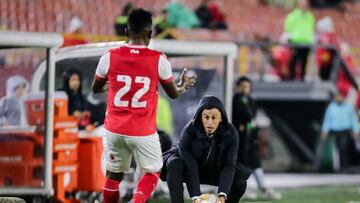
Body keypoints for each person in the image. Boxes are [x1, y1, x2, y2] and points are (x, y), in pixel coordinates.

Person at [91, 8, 196, 203]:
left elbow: (96, 88)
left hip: (114, 129)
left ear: (126, 32)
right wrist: (183, 85)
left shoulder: (109, 56)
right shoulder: (159, 59)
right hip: (142, 131)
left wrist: (114, 85)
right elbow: (173, 93)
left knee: (113, 176)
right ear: (150, 33)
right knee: (153, 171)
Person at [161, 95, 250, 203]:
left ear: (221, 118)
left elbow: (229, 165)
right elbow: (190, 166)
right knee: (174, 163)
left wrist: (222, 195)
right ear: (200, 117)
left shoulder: (231, 133)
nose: (210, 122)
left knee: (240, 181)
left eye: (214, 117)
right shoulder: (188, 132)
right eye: (206, 117)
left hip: (213, 168)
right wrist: (196, 197)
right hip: (189, 168)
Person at [232, 76, 281, 199]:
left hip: (251, 138)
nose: (245, 89)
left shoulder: (251, 101)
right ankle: (243, 190)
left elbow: (252, 119)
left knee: (256, 164)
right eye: (243, 86)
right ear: (238, 87)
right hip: (240, 139)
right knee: (241, 165)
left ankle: (263, 188)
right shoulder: (233, 101)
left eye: (247, 86)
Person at [320, 89, 360, 171]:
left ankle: (344, 166)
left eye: (340, 97)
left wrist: (356, 130)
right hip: (335, 131)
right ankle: (339, 167)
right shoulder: (331, 107)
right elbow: (327, 120)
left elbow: (353, 119)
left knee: (343, 147)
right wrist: (325, 130)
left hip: (345, 130)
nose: (338, 98)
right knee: (338, 148)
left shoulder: (348, 107)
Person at [284, 0, 315, 81]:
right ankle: (291, 79)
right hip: (295, 42)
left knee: (304, 63)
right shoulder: (293, 16)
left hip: (306, 43)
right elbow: (288, 28)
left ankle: (302, 80)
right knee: (293, 62)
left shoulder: (310, 16)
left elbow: (311, 29)